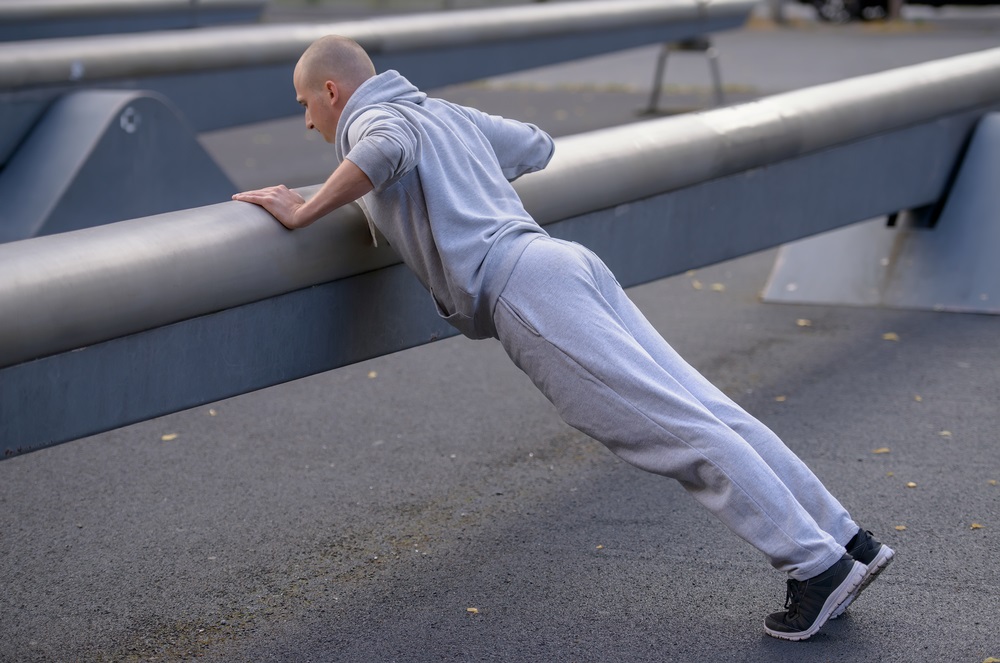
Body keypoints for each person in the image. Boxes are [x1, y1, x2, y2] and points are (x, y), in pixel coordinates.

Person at [232, 35, 894, 641]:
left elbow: (381, 151)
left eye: (306, 105)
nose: (308, 123)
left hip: (524, 290)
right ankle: (846, 540)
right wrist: (462, 178)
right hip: (562, 263)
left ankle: (814, 564)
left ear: (332, 92)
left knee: (670, 429)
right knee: (704, 407)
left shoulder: (373, 122)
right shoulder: (440, 113)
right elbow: (535, 144)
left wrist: (305, 206)